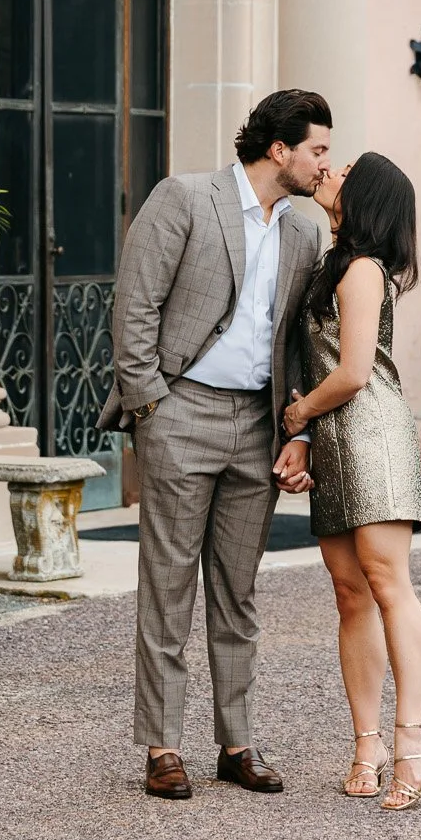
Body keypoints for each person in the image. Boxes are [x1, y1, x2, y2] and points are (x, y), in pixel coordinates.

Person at [101, 88, 329, 800]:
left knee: (238, 593)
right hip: (182, 412)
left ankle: (236, 743)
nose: (326, 164)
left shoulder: (302, 232)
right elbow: (134, 304)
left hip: (258, 425)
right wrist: (151, 409)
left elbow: (298, 341)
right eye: (317, 149)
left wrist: (301, 432)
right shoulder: (185, 198)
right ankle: (162, 747)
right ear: (278, 149)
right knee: (167, 587)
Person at [284, 152, 421, 812]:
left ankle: (412, 734)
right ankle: (366, 744)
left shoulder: (360, 270)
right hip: (333, 438)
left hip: (372, 435)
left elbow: (352, 374)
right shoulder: (331, 265)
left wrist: (295, 414)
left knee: (387, 585)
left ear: (369, 200)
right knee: (350, 596)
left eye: (347, 171)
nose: (331, 170)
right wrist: (302, 438)